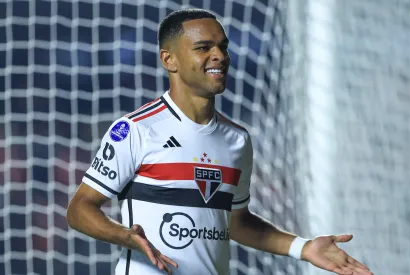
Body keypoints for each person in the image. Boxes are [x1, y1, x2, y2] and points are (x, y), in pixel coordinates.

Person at [66, 8, 373, 275]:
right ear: (169, 60)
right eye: (203, 47)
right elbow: (80, 209)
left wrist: (303, 247)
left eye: (223, 47)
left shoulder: (237, 140)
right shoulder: (135, 130)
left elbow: (236, 224)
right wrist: (125, 236)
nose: (220, 56)